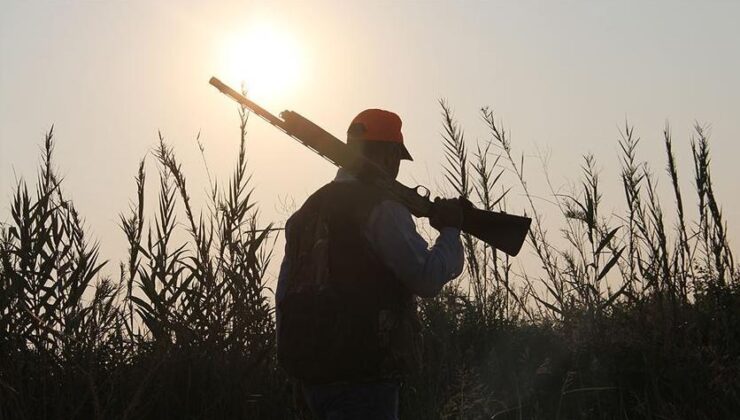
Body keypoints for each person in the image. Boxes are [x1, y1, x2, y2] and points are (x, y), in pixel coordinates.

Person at [276, 109, 465, 419]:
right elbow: (427, 279)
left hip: (311, 377)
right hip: (365, 374)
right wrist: (451, 230)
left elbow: (284, 296)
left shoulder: (306, 212)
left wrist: (296, 369)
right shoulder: (381, 207)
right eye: (396, 158)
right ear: (390, 156)